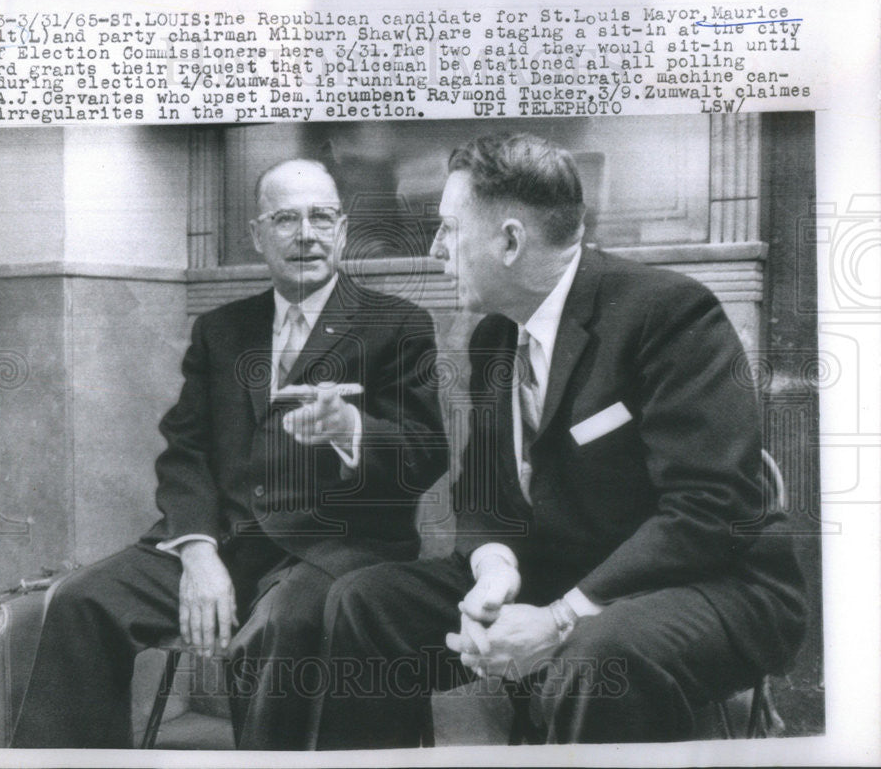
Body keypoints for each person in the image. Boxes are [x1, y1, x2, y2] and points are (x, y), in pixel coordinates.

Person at [313, 134, 807, 747]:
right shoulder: (493, 337)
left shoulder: (670, 313)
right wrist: (495, 570)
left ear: (511, 240)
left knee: (597, 659)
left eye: (446, 229)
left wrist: (557, 618)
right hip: (559, 573)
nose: (437, 251)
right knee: (365, 602)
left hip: (711, 585)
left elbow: (708, 510)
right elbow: (484, 492)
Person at [11, 159, 448, 749]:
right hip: (224, 543)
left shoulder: (397, 324)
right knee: (82, 601)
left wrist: (353, 430)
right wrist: (197, 552)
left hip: (334, 549)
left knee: (277, 629)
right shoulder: (221, 329)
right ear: (256, 235)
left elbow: (425, 453)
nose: (306, 234)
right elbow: (184, 452)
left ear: (343, 230)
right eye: (286, 219)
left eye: (322, 217)